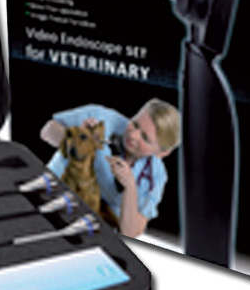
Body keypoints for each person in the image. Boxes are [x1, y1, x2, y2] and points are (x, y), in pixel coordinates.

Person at [40, 100, 180, 238]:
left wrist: (130, 187)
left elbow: (130, 232)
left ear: (162, 153)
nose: (133, 135)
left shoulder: (156, 175)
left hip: (86, 228)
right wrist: (78, 141)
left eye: (145, 138)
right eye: (135, 124)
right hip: (48, 192)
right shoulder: (101, 118)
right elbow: (47, 131)